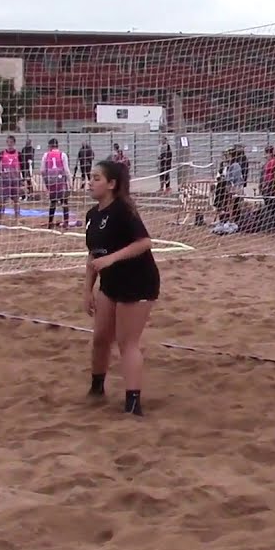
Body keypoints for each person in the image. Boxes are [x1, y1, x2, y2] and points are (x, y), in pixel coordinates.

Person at [84, 160, 160, 416]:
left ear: (112, 184)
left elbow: (145, 243)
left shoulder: (124, 210)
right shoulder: (92, 215)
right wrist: (87, 290)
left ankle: (133, 403)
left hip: (138, 281)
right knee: (100, 337)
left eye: (96, 178)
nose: (90, 182)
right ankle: (96, 389)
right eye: (90, 177)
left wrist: (112, 258)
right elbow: (92, 256)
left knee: (127, 342)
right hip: (111, 282)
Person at [42, 139, 72, 229]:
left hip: (51, 182)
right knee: (64, 203)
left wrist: (46, 182)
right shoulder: (62, 155)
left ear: (50, 146)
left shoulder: (46, 155)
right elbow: (66, 170)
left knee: (53, 203)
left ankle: (50, 223)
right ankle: (66, 223)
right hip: (61, 182)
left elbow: (42, 171)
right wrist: (70, 182)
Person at [0, 135, 22, 220]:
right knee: (2, 200)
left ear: (14, 143)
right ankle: (0, 218)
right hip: (5, 180)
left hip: (15, 180)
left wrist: (24, 179)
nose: (9, 144)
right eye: (8, 142)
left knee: (16, 200)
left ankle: (17, 218)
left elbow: (22, 167)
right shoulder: (2, 153)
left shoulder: (19, 154)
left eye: (11, 142)